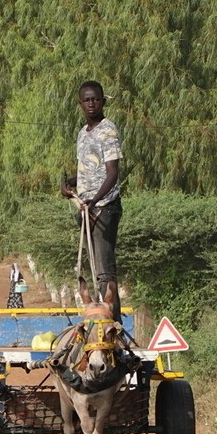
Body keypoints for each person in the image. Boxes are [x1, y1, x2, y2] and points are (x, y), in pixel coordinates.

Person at [59, 80, 123, 321]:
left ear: (103, 101)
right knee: (95, 269)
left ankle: (111, 326)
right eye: (86, 100)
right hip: (87, 208)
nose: (91, 104)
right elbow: (90, 171)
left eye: (95, 99)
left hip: (104, 208)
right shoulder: (82, 134)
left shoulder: (108, 130)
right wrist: (71, 184)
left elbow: (112, 173)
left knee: (105, 272)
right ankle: (98, 319)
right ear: (80, 104)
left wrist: (94, 202)